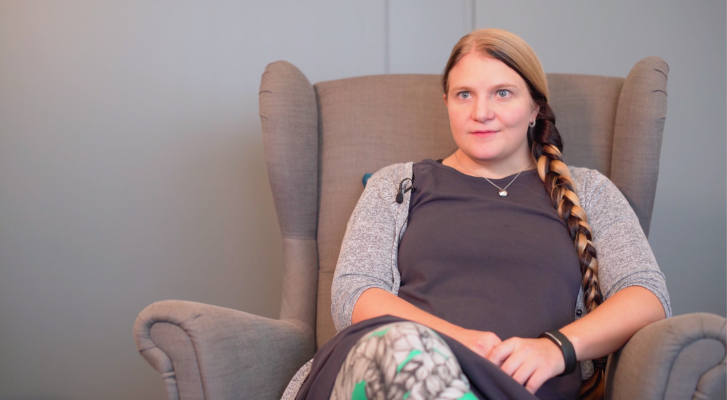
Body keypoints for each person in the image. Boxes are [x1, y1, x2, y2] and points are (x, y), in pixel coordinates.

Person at [281, 28, 670, 400]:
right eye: (464, 94)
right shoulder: (395, 184)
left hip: (520, 389)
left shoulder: (589, 191)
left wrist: (557, 348)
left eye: (502, 93)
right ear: (447, 103)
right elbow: (354, 294)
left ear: (535, 107)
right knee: (397, 349)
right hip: (387, 368)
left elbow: (647, 295)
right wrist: (454, 342)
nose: (481, 112)